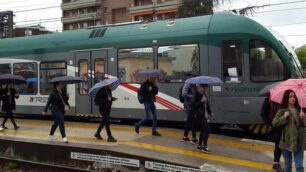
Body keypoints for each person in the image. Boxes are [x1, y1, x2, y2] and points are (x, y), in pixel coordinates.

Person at [272, 90, 305, 172]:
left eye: (294, 96)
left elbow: (304, 126)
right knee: (288, 166)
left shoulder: (299, 110)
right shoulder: (282, 110)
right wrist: (284, 117)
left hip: (299, 141)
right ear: (286, 98)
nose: (292, 98)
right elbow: (274, 122)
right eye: (290, 96)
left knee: (299, 166)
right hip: (286, 141)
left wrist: (304, 118)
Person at [261, 94, 283, 172]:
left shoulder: (284, 100)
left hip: (282, 125)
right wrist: (270, 124)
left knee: (280, 145)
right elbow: (263, 114)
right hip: (273, 127)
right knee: (278, 144)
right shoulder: (268, 100)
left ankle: (277, 163)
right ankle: (276, 163)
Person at [191, 84, 213, 154]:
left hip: (204, 114)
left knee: (203, 130)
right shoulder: (196, 94)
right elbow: (193, 104)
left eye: (206, 88)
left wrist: (210, 112)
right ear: (200, 87)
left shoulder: (204, 94)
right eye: (203, 88)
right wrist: (201, 101)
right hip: (198, 115)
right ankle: (204, 146)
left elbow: (207, 104)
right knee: (207, 130)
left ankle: (199, 145)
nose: (204, 90)